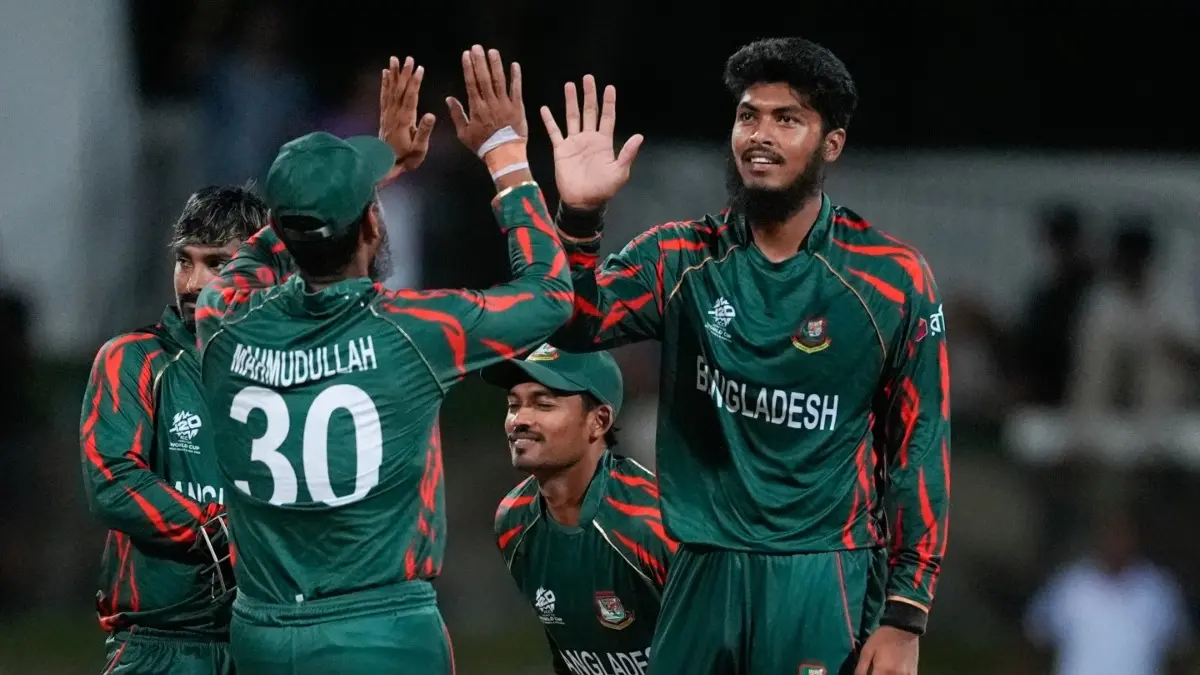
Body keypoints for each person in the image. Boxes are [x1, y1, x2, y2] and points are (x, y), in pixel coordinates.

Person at [540, 37, 951, 675]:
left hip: (821, 574)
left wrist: (905, 612)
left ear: (830, 144)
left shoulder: (890, 279)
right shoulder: (680, 257)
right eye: (748, 115)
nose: (760, 134)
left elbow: (917, 448)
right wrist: (581, 216)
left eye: (787, 119)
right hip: (702, 566)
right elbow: (571, 326)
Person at [193, 48, 572, 675]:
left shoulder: (222, 323)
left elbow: (258, 258)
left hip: (261, 637)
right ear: (373, 224)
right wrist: (505, 153)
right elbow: (551, 292)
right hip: (382, 635)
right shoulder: (416, 332)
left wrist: (361, 177)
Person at [80, 185, 267, 675]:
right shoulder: (135, 358)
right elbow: (114, 479)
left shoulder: (284, 370)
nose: (191, 282)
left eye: (217, 263)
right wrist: (226, 532)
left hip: (265, 642)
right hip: (161, 647)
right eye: (185, 262)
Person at [484, 344, 675, 675]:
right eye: (513, 405)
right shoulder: (514, 522)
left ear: (598, 421)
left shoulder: (656, 524)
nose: (519, 420)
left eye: (543, 405)